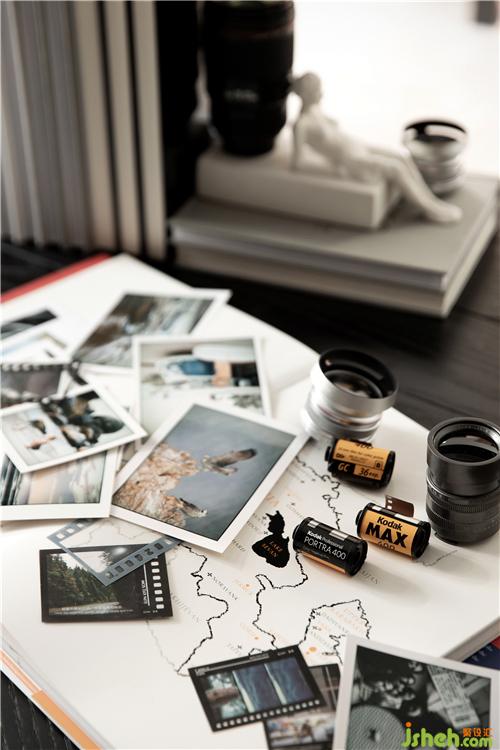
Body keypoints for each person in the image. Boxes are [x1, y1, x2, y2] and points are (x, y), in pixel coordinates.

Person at [291, 73, 461, 224]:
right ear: (306, 94)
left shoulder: (317, 110)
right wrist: (334, 170)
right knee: (396, 168)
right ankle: (430, 208)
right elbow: (299, 163)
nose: (321, 93)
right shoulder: (301, 124)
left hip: (359, 147)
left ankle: (431, 199)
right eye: (316, 90)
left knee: (401, 157)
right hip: (351, 160)